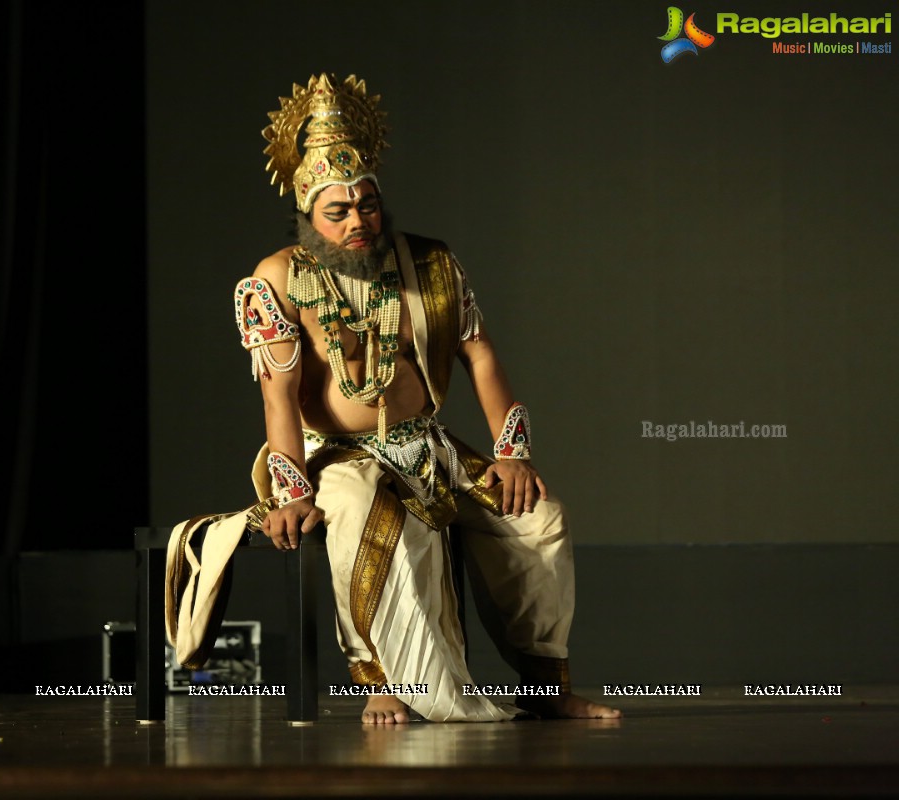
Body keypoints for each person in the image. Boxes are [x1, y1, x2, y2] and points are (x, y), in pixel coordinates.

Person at [165, 73, 620, 724]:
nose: (358, 221)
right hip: (333, 455)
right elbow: (281, 396)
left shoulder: (431, 265)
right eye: (338, 211)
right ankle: (383, 682)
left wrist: (512, 452)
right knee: (361, 514)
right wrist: (292, 489)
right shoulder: (276, 279)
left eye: (368, 204)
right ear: (306, 212)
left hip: (425, 446)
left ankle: (547, 691)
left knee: (538, 519)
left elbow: (480, 351)